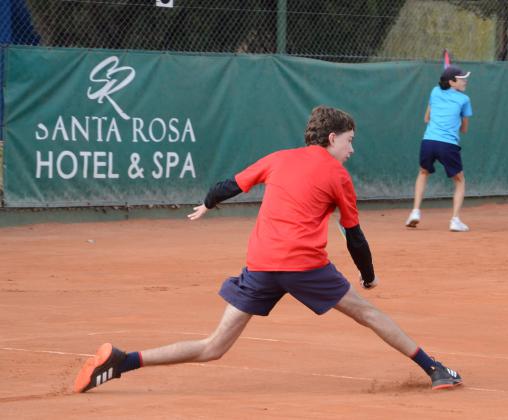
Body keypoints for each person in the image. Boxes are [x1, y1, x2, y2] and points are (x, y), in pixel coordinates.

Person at [73, 106, 462, 393]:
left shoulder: (277, 159)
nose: (351, 150)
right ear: (332, 139)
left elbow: (227, 186)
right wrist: (370, 275)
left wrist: (207, 204)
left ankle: (124, 361)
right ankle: (435, 370)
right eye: (349, 142)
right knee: (369, 313)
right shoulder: (338, 175)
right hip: (304, 265)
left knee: (213, 347)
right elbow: (354, 236)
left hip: (260, 264)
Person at [405, 66, 473, 232]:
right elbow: (464, 129)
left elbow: (426, 117)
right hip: (448, 144)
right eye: (461, 78)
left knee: (423, 173)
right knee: (460, 180)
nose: (465, 81)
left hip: (428, 141)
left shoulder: (435, 91)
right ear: (452, 82)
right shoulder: (464, 100)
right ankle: (455, 220)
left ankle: (415, 212)